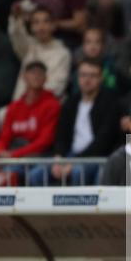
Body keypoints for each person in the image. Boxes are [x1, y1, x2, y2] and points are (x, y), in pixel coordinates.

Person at [30, 58, 121, 186]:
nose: (87, 80)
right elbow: (61, 135)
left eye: (92, 76)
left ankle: (78, 207)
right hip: (70, 155)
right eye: (83, 75)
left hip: (97, 157)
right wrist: (58, 158)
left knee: (78, 172)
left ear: (100, 78)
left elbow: (103, 142)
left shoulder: (110, 102)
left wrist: (73, 162)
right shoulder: (71, 102)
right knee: (36, 174)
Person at [0, 61, 60, 162]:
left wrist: (14, 155)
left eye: (40, 73)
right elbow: (4, 137)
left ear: (46, 78)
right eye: (33, 73)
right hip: (13, 153)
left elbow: (44, 141)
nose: (36, 76)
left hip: (37, 156)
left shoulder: (52, 105)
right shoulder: (14, 107)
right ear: (24, 77)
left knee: (13, 171)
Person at [8, 6, 71, 100]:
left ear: (53, 25)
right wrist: (16, 17)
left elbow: (57, 86)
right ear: (31, 27)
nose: (41, 27)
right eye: (36, 22)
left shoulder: (63, 53)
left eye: (46, 21)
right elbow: (16, 35)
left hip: (47, 106)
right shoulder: (28, 47)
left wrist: (32, 100)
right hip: (20, 105)